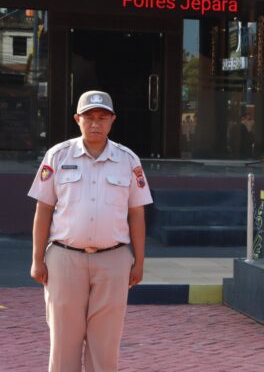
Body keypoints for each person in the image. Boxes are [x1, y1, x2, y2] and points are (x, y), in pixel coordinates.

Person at [28, 90, 153, 372]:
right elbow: (44, 209)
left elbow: (137, 213)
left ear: (112, 121)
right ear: (77, 120)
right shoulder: (57, 156)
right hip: (64, 258)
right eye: (89, 118)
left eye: (102, 118)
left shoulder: (128, 160)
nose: (95, 123)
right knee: (63, 343)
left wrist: (139, 261)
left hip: (114, 259)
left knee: (105, 344)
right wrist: (37, 259)